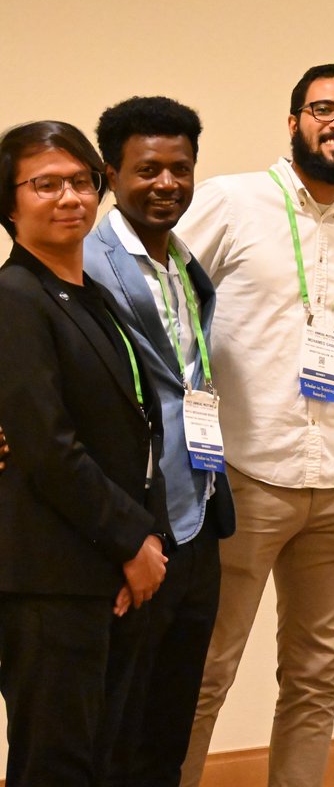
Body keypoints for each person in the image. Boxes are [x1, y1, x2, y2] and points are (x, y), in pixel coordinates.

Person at [174, 63, 334, 787]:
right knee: (204, 673)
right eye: (323, 109)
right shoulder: (231, 201)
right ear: (293, 123)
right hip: (244, 477)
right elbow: (149, 291)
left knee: (317, 679)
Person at [0, 120, 170, 784]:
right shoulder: (15, 300)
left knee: (102, 760)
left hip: (101, 572)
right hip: (47, 575)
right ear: (10, 203)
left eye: (80, 181)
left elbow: (126, 427)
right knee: (57, 763)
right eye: (45, 184)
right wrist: (132, 540)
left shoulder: (88, 296)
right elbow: (47, 447)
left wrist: (138, 545)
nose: (69, 196)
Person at [83, 95, 236, 786]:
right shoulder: (84, 264)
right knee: (116, 721)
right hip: (133, 525)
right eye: (148, 170)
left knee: (169, 717)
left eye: (179, 168)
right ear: (111, 173)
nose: (166, 184)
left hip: (197, 517)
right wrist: (122, 534)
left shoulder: (183, 265)